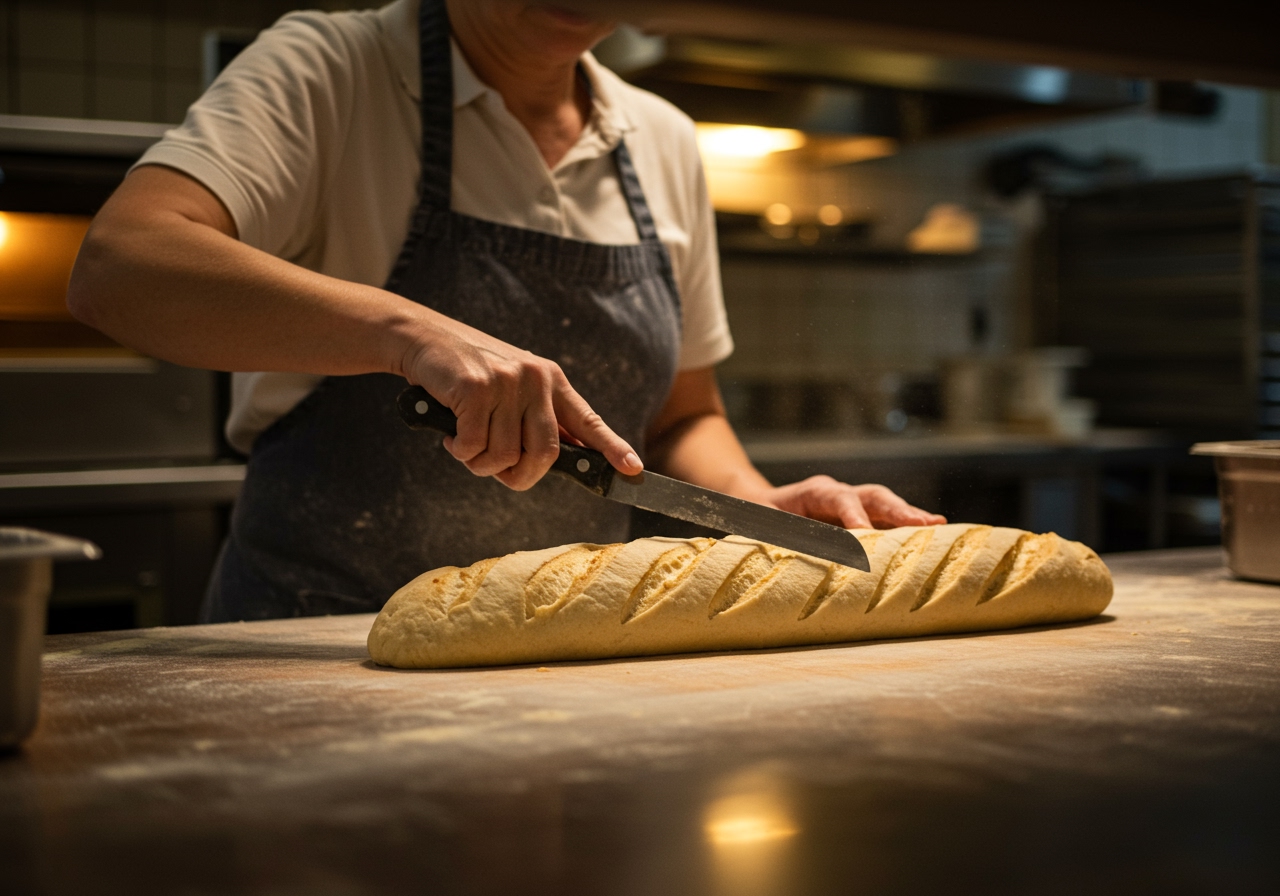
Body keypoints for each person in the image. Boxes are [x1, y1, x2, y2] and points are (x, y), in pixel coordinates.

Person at [67, 0, 945, 622]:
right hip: (321, 644)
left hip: (564, 655)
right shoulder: (333, 68)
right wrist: (411, 332)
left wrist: (762, 506)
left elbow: (682, 414)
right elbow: (120, 267)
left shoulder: (663, 138)